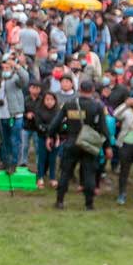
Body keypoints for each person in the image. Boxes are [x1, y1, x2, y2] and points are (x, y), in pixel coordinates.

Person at [49, 76, 106, 210]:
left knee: (65, 172)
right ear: (92, 90)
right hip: (88, 143)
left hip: (71, 141)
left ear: (79, 89)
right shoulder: (97, 106)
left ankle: (60, 201)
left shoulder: (69, 104)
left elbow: (55, 123)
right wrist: (107, 146)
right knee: (89, 173)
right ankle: (89, 204)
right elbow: (103, 128)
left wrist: (51, 136)